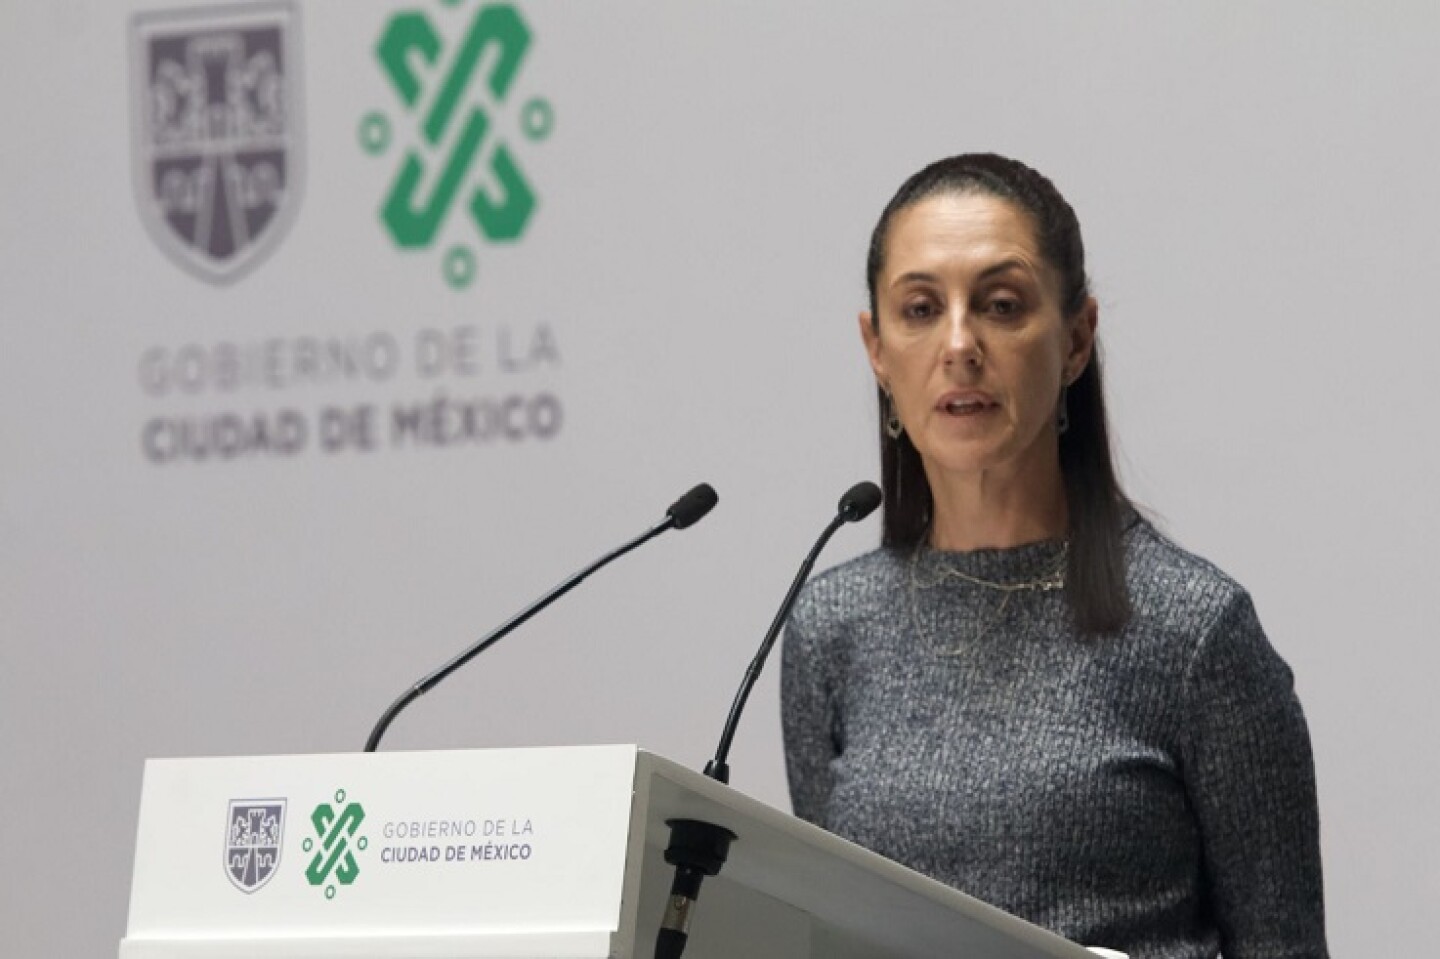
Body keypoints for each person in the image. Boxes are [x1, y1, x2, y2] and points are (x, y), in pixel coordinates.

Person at [781, 153, 1328, 959]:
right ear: (876, 348)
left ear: (1076, 341)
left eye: (1001, 305)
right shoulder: (833, 628)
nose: (959, 343)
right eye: (921, 308)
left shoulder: (1194, 631)